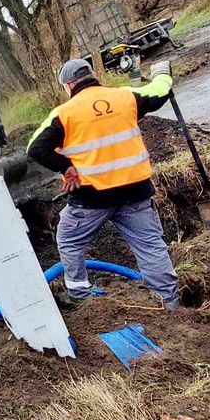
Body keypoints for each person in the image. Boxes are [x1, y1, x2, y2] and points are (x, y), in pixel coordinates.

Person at [25, 58, 180, 310]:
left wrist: (66, 167)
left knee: (69, 239)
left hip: (91, 198)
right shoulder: (125, 97)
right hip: (135, 192)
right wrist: (162, 73)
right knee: (150, 245)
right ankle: (169, 301)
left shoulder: (64, 114)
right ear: (93, 75)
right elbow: (159, 92)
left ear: (68, 85)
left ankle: (80, 295)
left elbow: (35, 148)